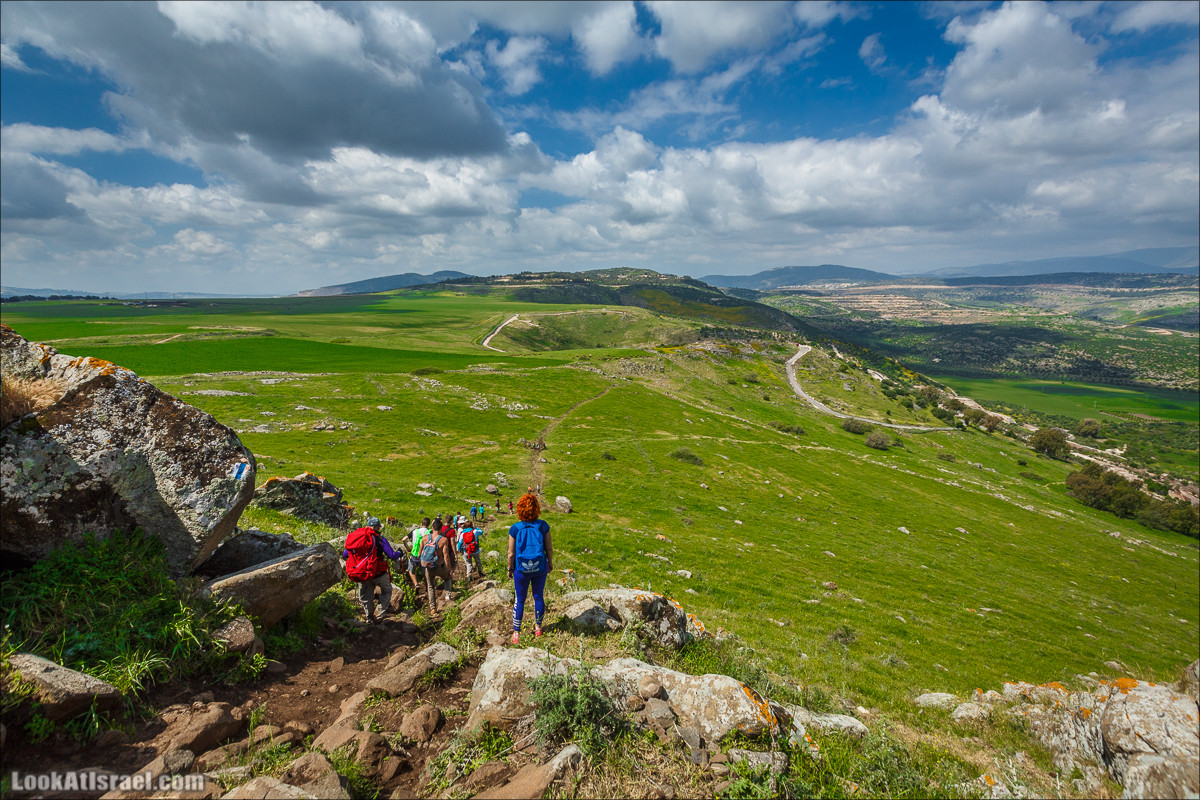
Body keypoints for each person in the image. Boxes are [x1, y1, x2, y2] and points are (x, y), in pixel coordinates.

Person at [508, 493, 552, 644]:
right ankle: (538, 628)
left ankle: (516, 633)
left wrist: (509, 568)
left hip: (521, 569)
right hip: (540, 567)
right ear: (537, 509)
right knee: (538, 596)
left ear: (520, 509)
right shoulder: (543, 526)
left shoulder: (515, 528)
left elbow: (511, 553)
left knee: (520, 600)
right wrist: (550, 563)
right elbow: (549, 548)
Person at [342, 517, 403, 624]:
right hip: (379, 572)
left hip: (362, 573)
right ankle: (379, 615)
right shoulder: (380, 539)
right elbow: (391, 555)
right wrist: (399, 553)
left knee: (366, 596)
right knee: (387, 590)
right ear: (377, 527)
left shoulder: (357, 538)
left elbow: (345, 554)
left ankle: (369, 618)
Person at [418, 521, 457, 612]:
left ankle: (433, 608)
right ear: (440, 529)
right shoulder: (443, 540)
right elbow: (446, 556)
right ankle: (447, 598)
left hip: (428, 567)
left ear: (432, 528)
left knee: (430, 586)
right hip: (440, 566)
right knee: (447, 579)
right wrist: (449, 570)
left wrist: (425, 563)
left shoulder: (425, 538)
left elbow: (419, 554)